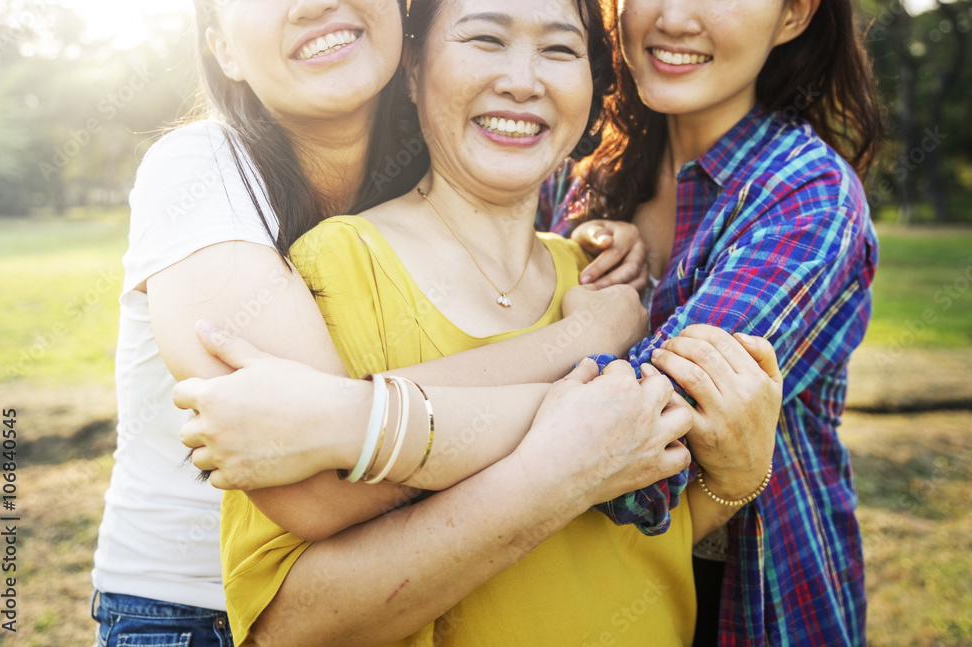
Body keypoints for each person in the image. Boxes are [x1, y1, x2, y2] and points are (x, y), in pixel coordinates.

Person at [176, 0, 782, 645]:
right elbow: (289, 629)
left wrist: (736, 483)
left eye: (558, 50)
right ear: (411, 70)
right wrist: (567, 449)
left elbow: (634, 526)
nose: (524, 81)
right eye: (485, 39)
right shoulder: (339, 267)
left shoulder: (609, 280)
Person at [89, 0, 658, 645]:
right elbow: (326, 483)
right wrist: (589, 364)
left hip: (385, 586)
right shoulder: (200, 170)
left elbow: (347, 425)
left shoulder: (434, 153)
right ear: (221, 49)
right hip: (194, 611)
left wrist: (594, 241)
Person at [537, 0, 881, 644]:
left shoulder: (806, 196)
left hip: (743, 601)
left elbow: (635, 455)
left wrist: (388, 423)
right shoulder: (580, 178)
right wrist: (564, 256)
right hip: (568, 594)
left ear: (795, 15)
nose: (672, 17)